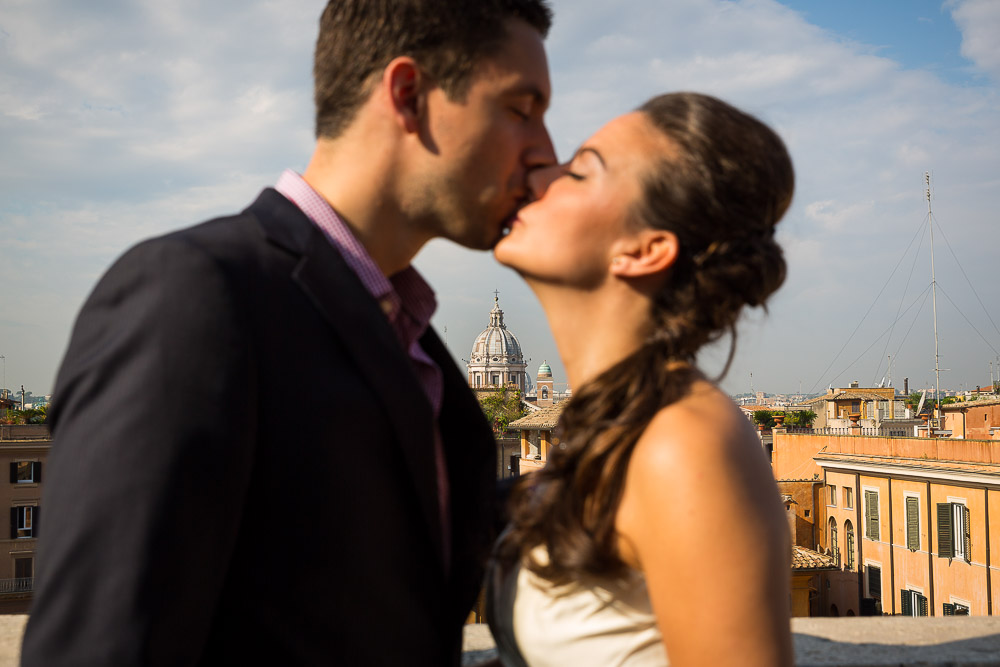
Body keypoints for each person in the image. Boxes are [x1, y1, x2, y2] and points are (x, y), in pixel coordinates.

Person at [21, 1, 555, 665]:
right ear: (410, 96)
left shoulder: (417, 346)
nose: (546, 152)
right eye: (522, 109)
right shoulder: (192, 295)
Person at [487, 92, 796, 666]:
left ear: (644, 250)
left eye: (578, 172)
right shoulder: (622, 422)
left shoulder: (685, 446)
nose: (539, 171)